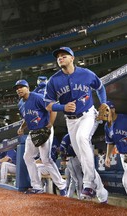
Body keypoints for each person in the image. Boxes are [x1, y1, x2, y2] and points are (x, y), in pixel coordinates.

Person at [44, 46, 108, 199]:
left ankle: (88, 185)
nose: (60, 58)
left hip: (87, 114)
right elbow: (48, 104)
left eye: (64, 55)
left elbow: (100, 87)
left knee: (82, 138)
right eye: (58, 56)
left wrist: (104, 102)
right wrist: (62, 106)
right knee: (83, 158)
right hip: (70, 120)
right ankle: (101, 192)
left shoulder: (86, 74)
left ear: (72, 58)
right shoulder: (53, 81)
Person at [14, 79, 66, 195]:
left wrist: (50, 124)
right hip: (33, 131)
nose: (19, 90)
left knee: (46, 159)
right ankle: (37, 187)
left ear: (28, 88)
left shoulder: (37, 97)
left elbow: (53, 108)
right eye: (17, 88)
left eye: (21, 87)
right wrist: (22, 127)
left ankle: (62, 186)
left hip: (44, 129)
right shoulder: (20, 104)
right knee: (27, 157)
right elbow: (26, 118)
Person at [60, 134, 108, 202]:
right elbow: (62, 147)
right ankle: (80, 197)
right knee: (78, 179)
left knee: (74, 181)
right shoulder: (69, 135)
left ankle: (69, 196)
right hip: (72, 158)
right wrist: (63, 155)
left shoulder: (83, 134)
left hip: (79, 158)